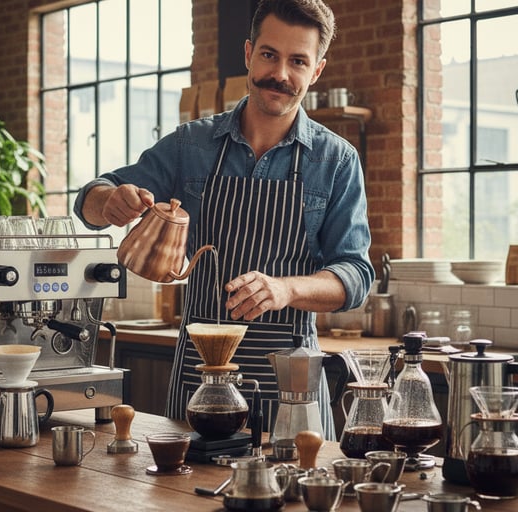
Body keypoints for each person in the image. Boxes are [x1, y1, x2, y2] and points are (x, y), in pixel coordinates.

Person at [74, 0, 374, 439]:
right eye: (270, 55)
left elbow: (355, 276)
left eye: (298, 62)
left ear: (317, 71)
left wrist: (284, 288)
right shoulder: (190, 145)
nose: (281, 75)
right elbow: (90, 199)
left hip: (288, 386)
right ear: (249, 53)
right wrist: (110, 201)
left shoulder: (336, 161)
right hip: (199, 378)